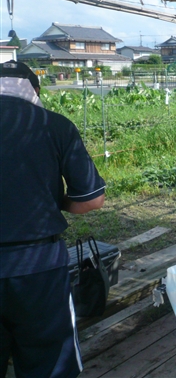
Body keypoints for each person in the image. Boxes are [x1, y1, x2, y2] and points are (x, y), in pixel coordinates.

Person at [0, 61, 106, 377]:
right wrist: (54, 202)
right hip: (39, 266)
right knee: (49, 366)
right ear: (35, 90)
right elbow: (92, 199)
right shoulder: (55, 125)